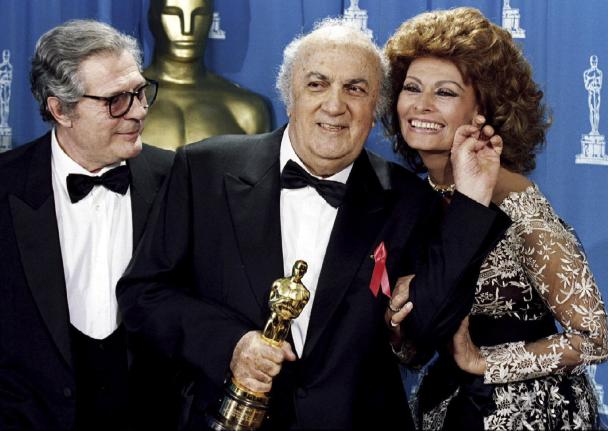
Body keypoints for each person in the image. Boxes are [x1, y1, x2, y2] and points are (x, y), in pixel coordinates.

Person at [117, 18, 510, 430]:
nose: (335, 105)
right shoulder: (203, 170)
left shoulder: (408, 201)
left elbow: (424, 335)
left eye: (355, 89)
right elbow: (144, 295)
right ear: (290, 97)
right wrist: (231, 345)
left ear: (376, 108)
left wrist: (470, 200)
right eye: (317, 84)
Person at [383, 7, 608, 430]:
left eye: (446, 92)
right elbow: (418, 345)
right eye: (412, 87)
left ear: (483, 109)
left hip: (528, 415)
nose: (421, 105)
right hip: (445, 407)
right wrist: (400, 334)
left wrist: (484, 360)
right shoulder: (418, 198)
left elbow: (594, 336)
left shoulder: (520, 211)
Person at [0, 20, 177, 430]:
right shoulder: (6, 187)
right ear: (60, 109)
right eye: (115, 100)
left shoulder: (177, 182)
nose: (138, 111)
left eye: (139, 92)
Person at [142, 0, 271, 150]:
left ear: (211, 19)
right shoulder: (124, 102)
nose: (187, 29)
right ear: (152, 18)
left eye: (199, 14)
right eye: (173, 13)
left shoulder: (248, 110)